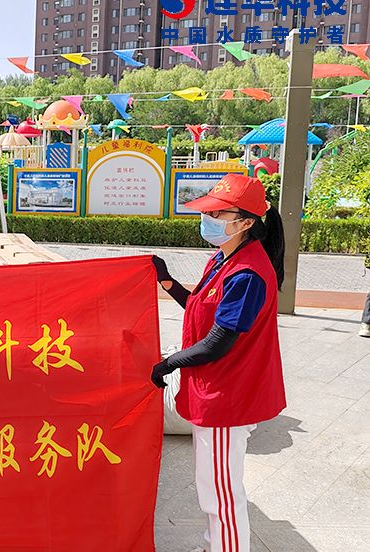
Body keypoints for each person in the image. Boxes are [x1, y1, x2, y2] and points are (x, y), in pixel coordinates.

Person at [150, 173, 286, 552]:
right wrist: (167, 281)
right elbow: (201, 306)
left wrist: (168, 364)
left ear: (245, 223)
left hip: (229, 398)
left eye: (216, 214)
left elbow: (217, 342)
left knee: (222, 492)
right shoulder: (225, 258)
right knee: (212, 486)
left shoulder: (248, 274)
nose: (206, 219)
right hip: (215, 389)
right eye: (207, 211)